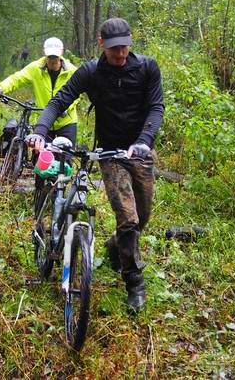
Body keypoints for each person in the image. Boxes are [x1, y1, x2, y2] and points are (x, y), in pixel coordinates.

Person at [25, 18, 164, 312]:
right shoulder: (91, 72)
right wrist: (40, 130)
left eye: (125, 47)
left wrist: (144, 140)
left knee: (141, 218)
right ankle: (134, 282)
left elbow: (155, 107)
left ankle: (116, 247)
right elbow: (58, 101)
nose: (121, 54)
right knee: (128, 218)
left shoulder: (147, 68)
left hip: (139, 151)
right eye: (115, 49)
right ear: (101, 44)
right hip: (110, 154)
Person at [0, 37, 79, 145]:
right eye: (50, 55)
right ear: (44, 53)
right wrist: (1, 87)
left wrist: (65, 107)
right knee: (41, 157)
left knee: (65, 158)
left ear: (61, 53)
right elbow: (17, 78)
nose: (52, 58)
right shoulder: (35, 68)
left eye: (55, 55)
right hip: (44, 121)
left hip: (67, 122)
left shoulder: (72, 71)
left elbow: (77, 94)